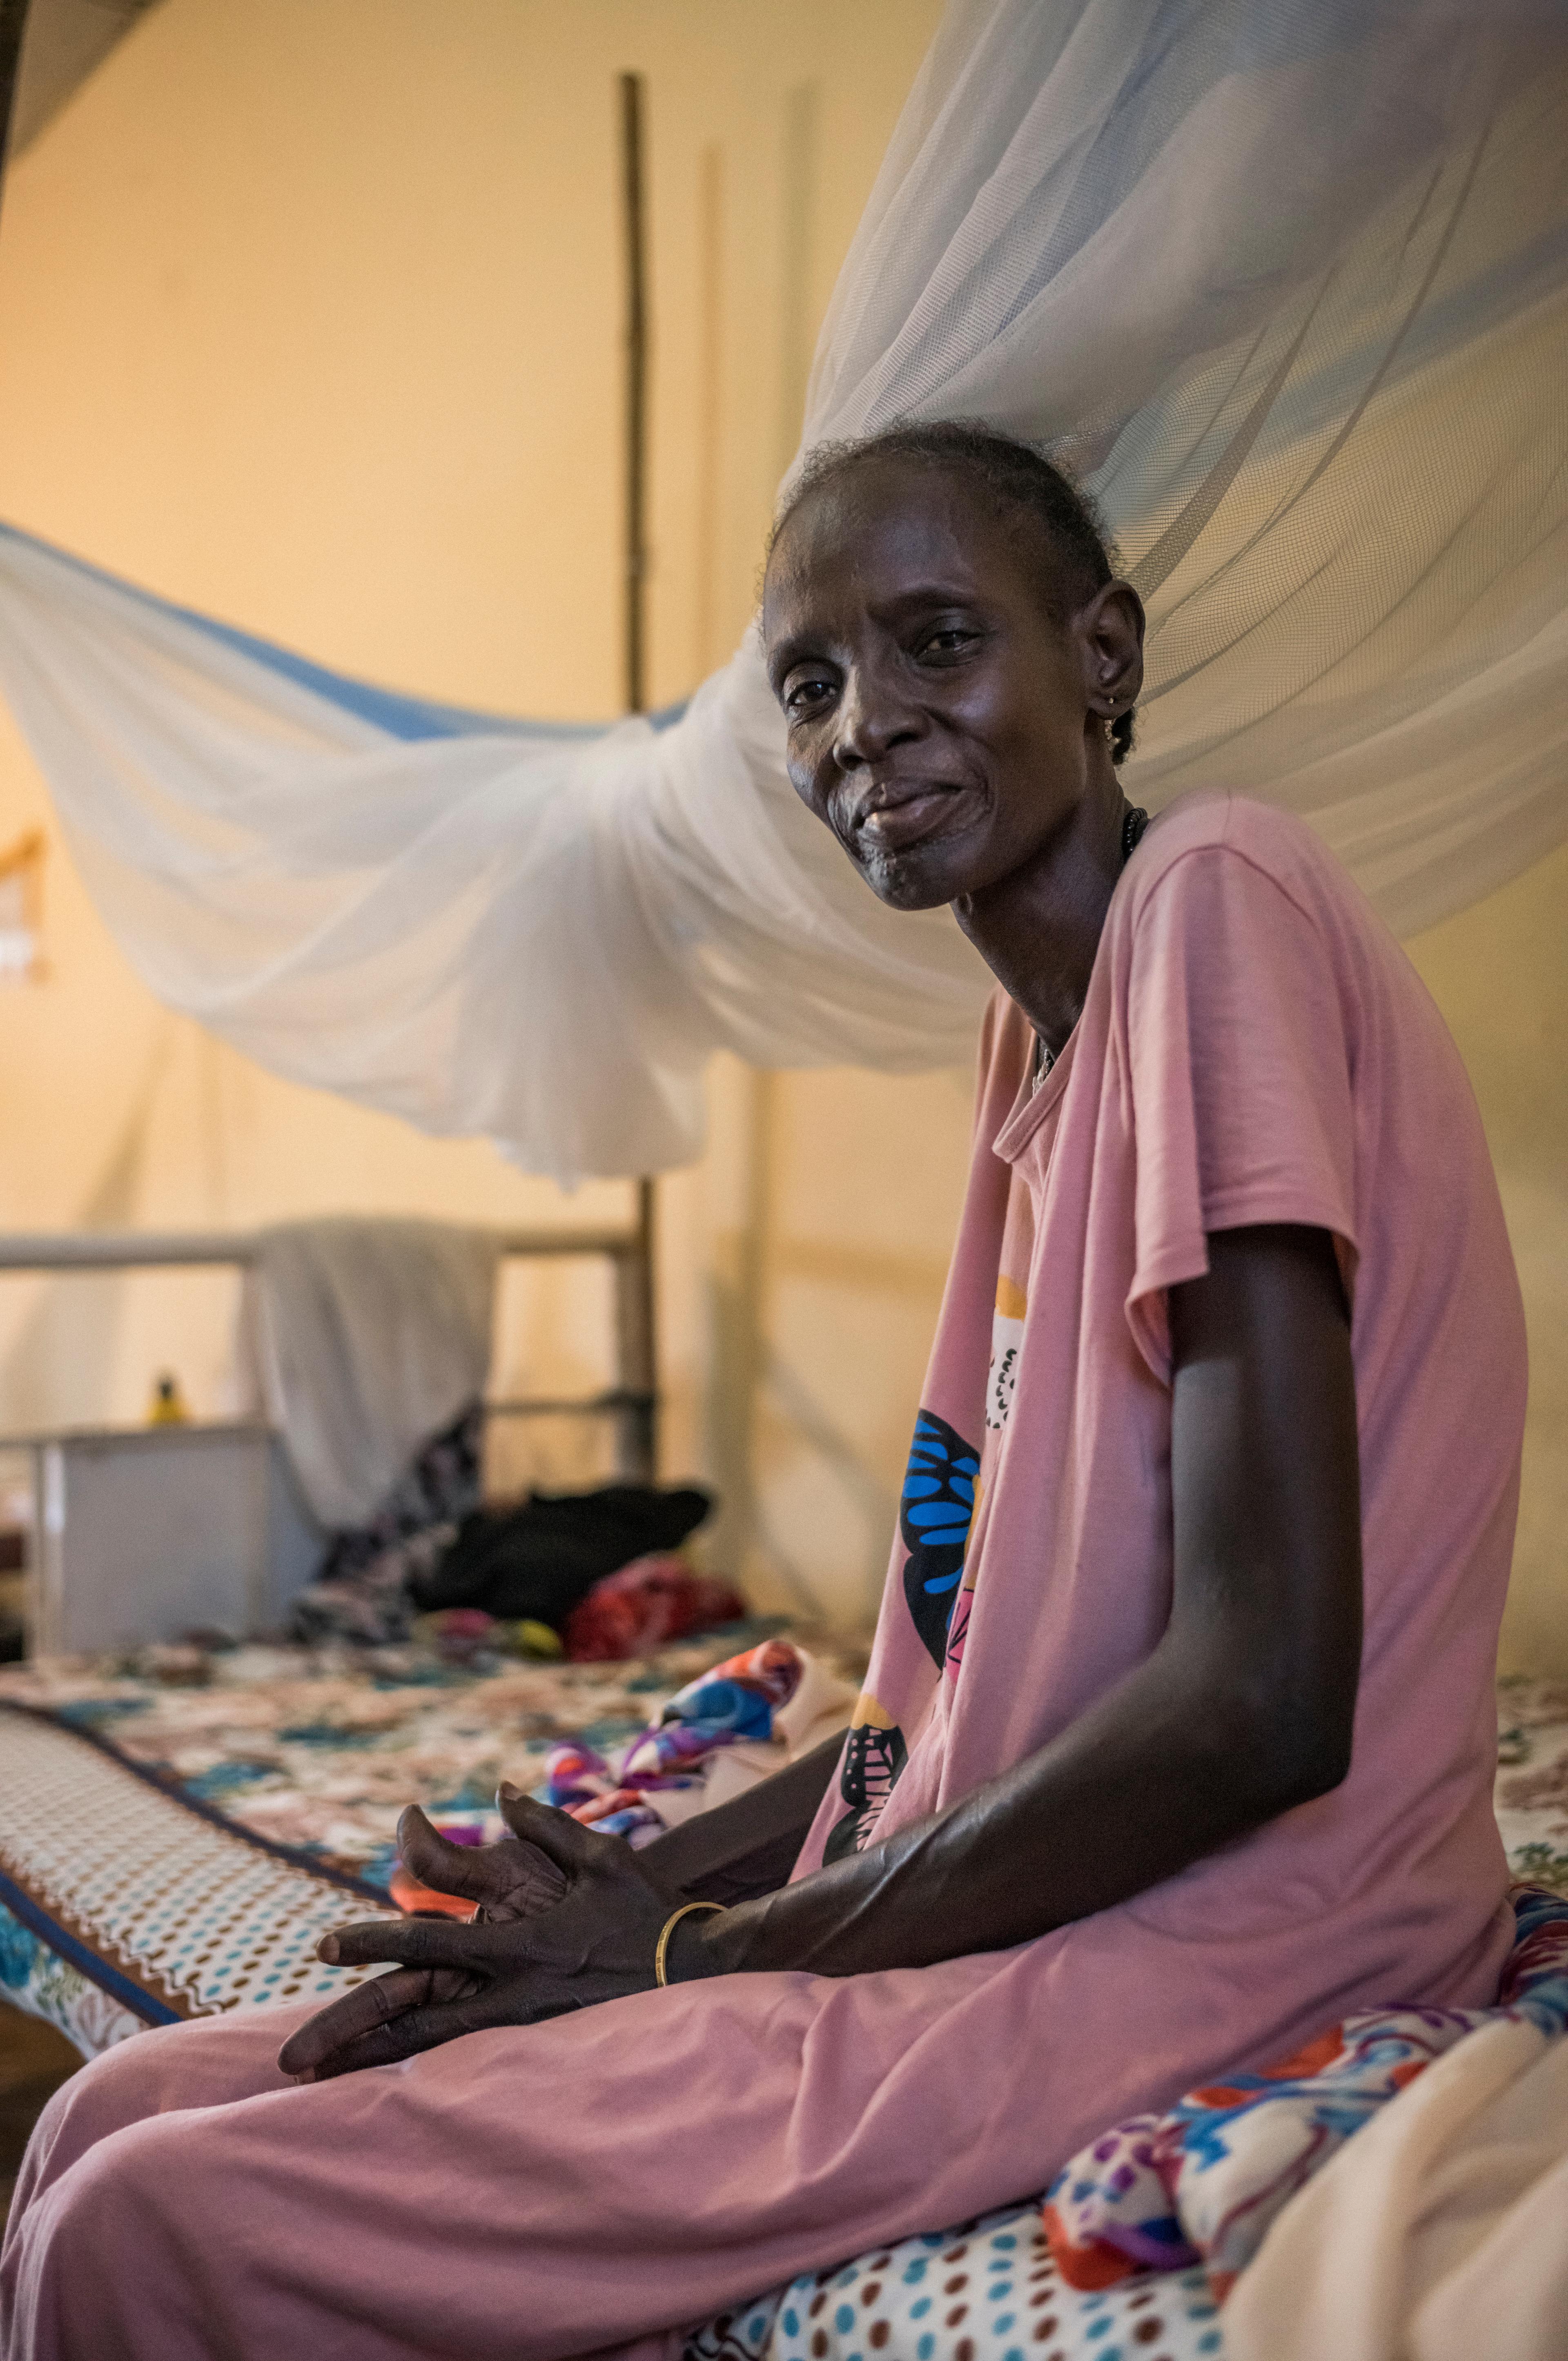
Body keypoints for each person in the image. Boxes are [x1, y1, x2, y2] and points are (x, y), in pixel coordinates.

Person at [0, 423, 1527, 2361]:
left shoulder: (1219, 900)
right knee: (102, 2114)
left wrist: (691, 1959)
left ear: (1108, 655)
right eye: (810, 684)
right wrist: (631, 1894)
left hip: (1243, 1932)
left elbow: (1263, 1698)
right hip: (1045, 1887)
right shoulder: (1032, 1050)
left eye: (937, 642)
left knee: (149, 2226)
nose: (863, 725)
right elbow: (963, 1700)